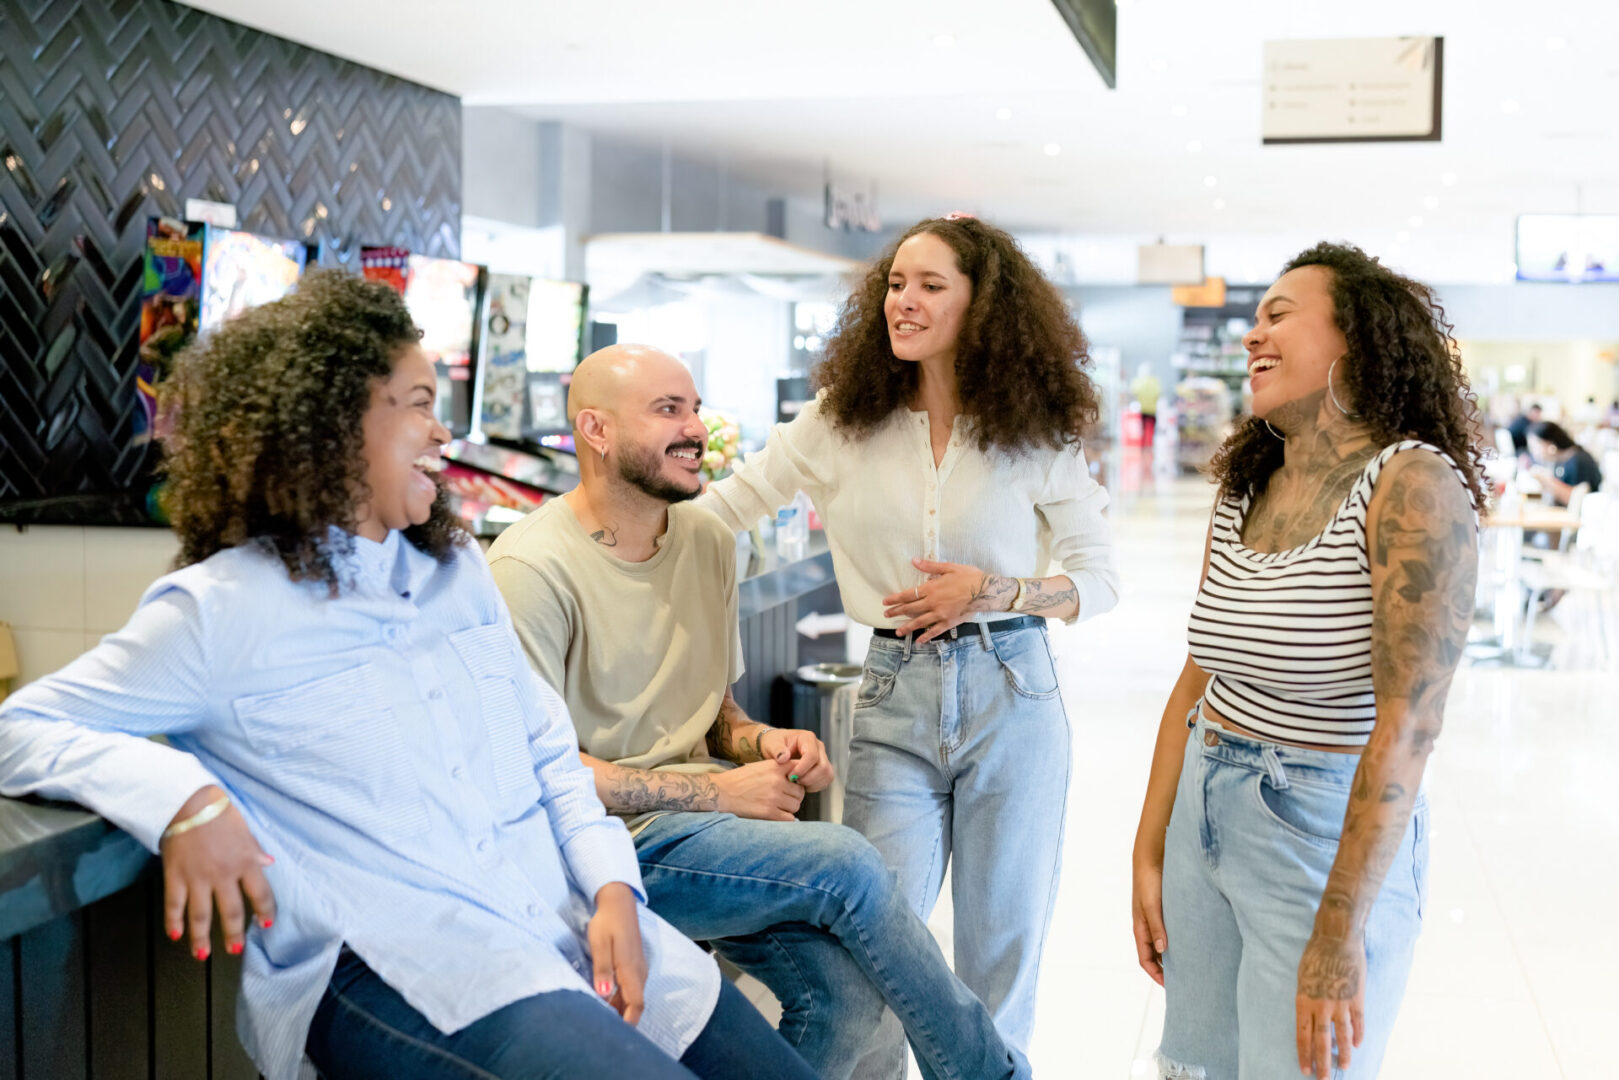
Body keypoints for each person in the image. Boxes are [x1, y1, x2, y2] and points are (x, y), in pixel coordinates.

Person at [0, 272, 816, 1080]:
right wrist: (185, 799)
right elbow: (23, 727)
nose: (440, 434)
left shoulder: (455, 571)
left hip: (568, 918)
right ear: (330, 422)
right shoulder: (221, 608)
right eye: (419, 403)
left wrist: (612, 889)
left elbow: (543, 750)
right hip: (414, 971)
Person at [487, 343, 1030, 1080]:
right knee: (844, 861)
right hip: (603, 853)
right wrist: (718, 788)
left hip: (708, 835)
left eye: (695, 408)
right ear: (596, 430)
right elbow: (535, 774)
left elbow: (713, 712)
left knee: (844, 1000)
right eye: (667, 410)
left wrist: (763, 742)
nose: (696, 429)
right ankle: (989, 1073)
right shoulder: (528, 569)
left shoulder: (708, 542)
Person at [696, 214, 1120, 1076]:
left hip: (1012, 684)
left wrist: (992, 590)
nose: (905, 301)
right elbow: (721, 515)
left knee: (1001, 942)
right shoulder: (836, 423)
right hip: (892, 689)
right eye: (895, 284)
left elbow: (1098, 580)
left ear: (982, 305)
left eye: (931, 285)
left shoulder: (1031, 431)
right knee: (873, 940)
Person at [1130, 243, 1486, 1080]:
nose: (1252, 334)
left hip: (1319, 831)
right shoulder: (1245, 485)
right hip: (1203, 810)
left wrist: (1337, 932)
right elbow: (1198, 676)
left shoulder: (1410, 485)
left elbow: (1408, 726)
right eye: (1253, 319)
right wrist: (1150, 849)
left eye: (1278, 314)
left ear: (1354, 342)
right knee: (1199, 1068)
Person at [1527, 419, 1602, 503]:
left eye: (1534, 447)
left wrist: (1546, 480)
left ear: (1550, 445)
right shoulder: (1561, 460)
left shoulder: (1578, 460)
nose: (1533, 452)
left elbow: (1577, 500)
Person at [1131, 362, 1163, 448]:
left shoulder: (1138, 381)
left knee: (1143, 429)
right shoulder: (1155, 381)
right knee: (1150, 429)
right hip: (1152, 409)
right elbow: (1158, 394)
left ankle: (1143, 445)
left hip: (1143, 409)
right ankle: (1149, 445)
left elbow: (1134, 393)